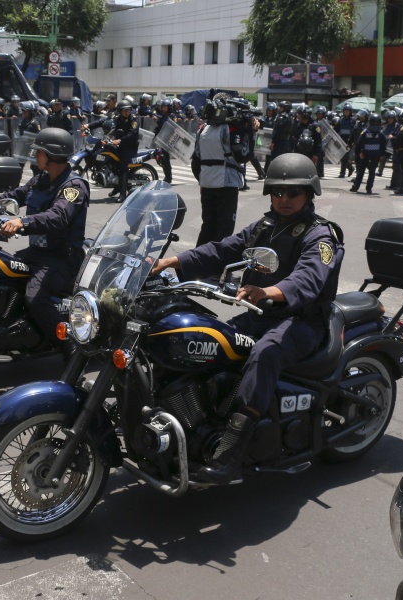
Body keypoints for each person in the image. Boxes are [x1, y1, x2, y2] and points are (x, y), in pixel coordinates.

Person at [150, 153, 344, 484]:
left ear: (309, 193)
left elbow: (309, 279)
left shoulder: (320, 236)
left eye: (292, 193)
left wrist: (270, 292)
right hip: (260, 315)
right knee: (206, 342)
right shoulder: (264, 227)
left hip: (301, 322)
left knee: (264, 354)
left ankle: (231, 454)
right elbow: (221, 249)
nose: (283, 199)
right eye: (277, 192)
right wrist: (172, 262)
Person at [0, 128, 89, 346]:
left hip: (60, 260)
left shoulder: (73, 186)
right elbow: (10, 196)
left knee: (35, 299)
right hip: (36, 253)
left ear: (51, 155)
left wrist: (22, 222)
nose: (35, 156)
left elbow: (58, 217)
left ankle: (70, 346)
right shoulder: (40, 180)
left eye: (39, 152)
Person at [190, 98, 243, 246]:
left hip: (207, 184)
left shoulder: (202, 130)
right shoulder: (229, 129)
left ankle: (196, 262)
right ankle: (218, 265)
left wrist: (202, 180)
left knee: (207, 226)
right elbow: (243, 155)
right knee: (224, 229)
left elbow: (195, 161)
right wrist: (251, 130)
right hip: (226, 183)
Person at [85, 99, 138, 202]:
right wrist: (106, 137)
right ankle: (117, 185)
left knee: (123, 168)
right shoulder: (117, 118)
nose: (126, 112)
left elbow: (133, 134)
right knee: (111, 162)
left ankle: (122, 194)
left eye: (128, 110)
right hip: (118, 144)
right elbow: (108, 125)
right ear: (120, 111)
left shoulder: (133, 120)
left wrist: (120, 140)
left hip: (129, 147)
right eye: (124, 110)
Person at [350, 112, 387, 195]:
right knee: (372, 172)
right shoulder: (381, 134)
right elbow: (383, 145)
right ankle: (369, 189)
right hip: (375, 155)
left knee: (361, 171)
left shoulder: (365, 132)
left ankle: (356, 187)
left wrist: (359, 153)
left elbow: (359, 143)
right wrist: (381, 155)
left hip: (365, 154)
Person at [153, 98, 175, 183]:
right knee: (160, 157)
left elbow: (173, 128)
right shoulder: (163, 116)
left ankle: (168, 177)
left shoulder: (172, 116)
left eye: (165, 106)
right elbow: (159, 127)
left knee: (165, 159)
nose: (163, 108)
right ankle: (167, 176)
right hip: (162, 140)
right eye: (162, 106)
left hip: (168, 141)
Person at [337, 103, 356, 178]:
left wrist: (352, 141)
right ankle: (351, 168)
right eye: (345, 110)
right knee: (341, 157)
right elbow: (336, 128)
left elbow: (354, 131)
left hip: (349, 141)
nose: (346, 112)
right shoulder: (341, 119)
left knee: (345, 157)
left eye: (348, 111)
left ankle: (342, 173)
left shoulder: (353, 120)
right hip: (341, 140)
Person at [377, 109, 398, 177]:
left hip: (393, 145)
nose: (390, 120)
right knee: (383, 158)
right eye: (389, 118)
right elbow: (383, 132)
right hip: (386, 144)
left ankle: (396, 175)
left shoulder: (396, 126)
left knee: (395, 161)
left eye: (391, 118)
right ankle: (380, 171)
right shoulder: (386, 125)